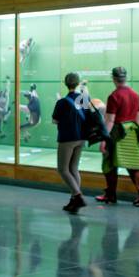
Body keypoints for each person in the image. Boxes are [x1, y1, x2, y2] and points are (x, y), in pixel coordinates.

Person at [97, 66, 139, 207]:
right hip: (131, 134)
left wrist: (104, 139)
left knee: (109, 163)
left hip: (116, 134)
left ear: (114, 79)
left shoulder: (114, 96)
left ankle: (111, 195)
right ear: (125, 78)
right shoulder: (135, 95)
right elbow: (138, 119)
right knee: (132, 164)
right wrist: (135, 137)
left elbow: (110, 120)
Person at [51, 71, 90, 212]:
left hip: (67, 138)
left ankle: (78, 196)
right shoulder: (84, 99)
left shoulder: (62, 102)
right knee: (73, 168)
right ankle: (74, 200)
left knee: (62, 169)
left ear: (66, 84)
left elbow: (55, 121)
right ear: (78, 83)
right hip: (81, 138)